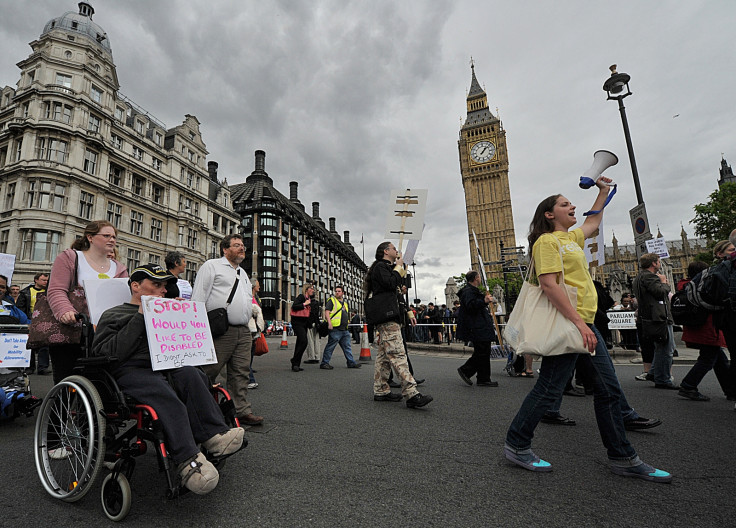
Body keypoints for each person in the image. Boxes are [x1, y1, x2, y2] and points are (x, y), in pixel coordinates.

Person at [503, 179, 671, 482]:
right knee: (550, 388)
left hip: (584, 321)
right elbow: (549, 285)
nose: (573, 207)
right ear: (550, 214)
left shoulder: (571, 239)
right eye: (565, 204)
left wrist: (603, 192)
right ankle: (517, 443)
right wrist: (580, 323)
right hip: (572, 322)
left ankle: (622, 457)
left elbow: (592, 222)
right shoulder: (546, 242)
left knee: (607, 390)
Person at [91, 264, 245, 495]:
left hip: (166, 365)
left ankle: (215, 436)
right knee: (162, 393)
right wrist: (141, 317)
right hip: (131, 369)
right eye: (156, 285)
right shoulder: (114, 314)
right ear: (135, 286)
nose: (163, 291)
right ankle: (188, 461)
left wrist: (186, 322)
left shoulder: (169, 311)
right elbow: (106, 354)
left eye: (165, 286)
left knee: (193, 375)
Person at [191, 234, 263, 426]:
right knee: (208, 370)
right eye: (237, 245)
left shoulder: (243, 274)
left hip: (243, 331)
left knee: (240, 372)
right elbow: (198, 297)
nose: (242, 249)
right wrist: (197, 328)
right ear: (225, 249)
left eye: (243, 246)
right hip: (221, 329)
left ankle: (241, 410)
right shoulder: (212, 266)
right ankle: (197, 409)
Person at [46, 220, 128, 384]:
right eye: (106, 236)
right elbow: (56, 290)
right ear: (90, 237)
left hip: (105, 333)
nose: (112, 240)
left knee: (103, 381)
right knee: (67, 382)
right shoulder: (70, 258)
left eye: (114, 236)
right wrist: (65, 312)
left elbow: (125, 298)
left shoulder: (119, 268)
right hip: (73, 332)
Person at [366, 242, 432, 408]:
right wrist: (399, 266)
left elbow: (396, 290)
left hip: (388, 317)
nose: (397, 250)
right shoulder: (381, 267)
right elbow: (390, 283)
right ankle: (411, 393)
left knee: (383, 358)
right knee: (398, 354)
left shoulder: (385, 267)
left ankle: (381, 390)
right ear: (386, 251)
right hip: (387, 318)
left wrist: (399, 268)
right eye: (394, 248)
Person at [677, 260, 732, 401]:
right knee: (708, 359)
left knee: (720, 360)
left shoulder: (687, 286)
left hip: (698, 328)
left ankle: (731, 391)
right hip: (707, 328)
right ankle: (688, 385)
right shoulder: (705, 287)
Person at [633, 253, 677, 390]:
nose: (659, 264)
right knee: (667, 349)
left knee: (660, 348)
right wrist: (664, 282)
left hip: (650, 317)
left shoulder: (639, 277)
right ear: (653, 263)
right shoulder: (650, 276)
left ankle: (652, 373)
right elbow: (660, 292)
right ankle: (663, 379)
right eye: (658, 261)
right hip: (658, 317)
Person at [456, 270, 498, 387]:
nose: (480, 279)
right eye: (479, 277)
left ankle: (483, 378)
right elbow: (471, 306)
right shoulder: (468, 291)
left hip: (480, 325)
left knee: (483, 352)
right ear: (476, 278)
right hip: (477, 327)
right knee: (482, 352)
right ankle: (466, 370)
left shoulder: (473, 291)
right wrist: (483, 301)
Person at [320, 285, 361, 369]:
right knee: (331, 346)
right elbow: (327, 312)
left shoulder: (345, 303)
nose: (337, 292)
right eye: (336, 291)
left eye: (339, 291)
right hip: (335, 328)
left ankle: (351, 362)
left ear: (343, 293)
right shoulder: (332, 301)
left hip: (344, 329)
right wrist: (329, 323)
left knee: (347, 347)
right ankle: (324, 363)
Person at [17, 272, 50, 374]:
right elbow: (20, 308)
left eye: (47, 280)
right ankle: (30, 367)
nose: (46, 282)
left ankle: (43, 367)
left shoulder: (50, 291)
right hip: (29, 321)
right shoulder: (26, 292)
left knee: (44, 345)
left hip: (45, 321)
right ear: (36, 280)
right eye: (43, 280)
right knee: (30, 345)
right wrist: (25, 321)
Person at [290, 283, 315, 371]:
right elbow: (294, 306)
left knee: (300, 343)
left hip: (304, 323)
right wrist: (304, 304)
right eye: (311, 288)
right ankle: (294, 360)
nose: (313, 290)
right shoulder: (301, 297)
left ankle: (296, 364)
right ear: (307, 289)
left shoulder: (310, 299)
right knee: (304, 341)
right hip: (297, 322)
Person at [247, 280, 265, 389]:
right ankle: (250, 378)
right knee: (246, 354)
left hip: (255, 328)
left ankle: (248, 370)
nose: (260, 286)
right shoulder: (248, 296)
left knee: (251, 352)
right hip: (249, 327)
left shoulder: (257, 297)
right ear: (254, 286)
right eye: (258, 284)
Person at [303, 284, 323, 364]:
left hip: (309, 323)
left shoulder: (308, 302)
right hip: (316, 323)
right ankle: (317, 356)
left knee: (310, 340)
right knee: (316, 340)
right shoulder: (317, 303)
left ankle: (311, 357)